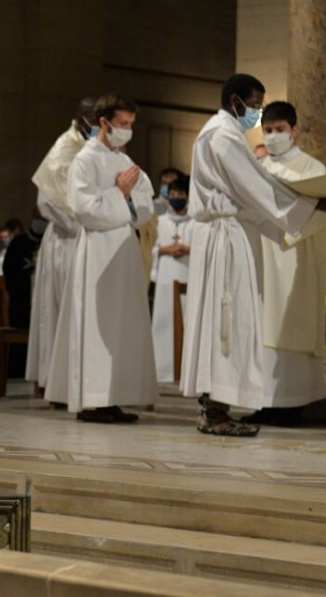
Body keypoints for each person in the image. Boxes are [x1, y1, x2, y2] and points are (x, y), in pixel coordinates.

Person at [180, 74, 326, 437]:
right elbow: (256, 187)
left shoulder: (222, 131)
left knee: (226, 320)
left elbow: (252, 194)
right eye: (254, 105)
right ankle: (214, 410)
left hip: (230, 230)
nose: (256, 114)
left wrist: (307, 209)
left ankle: (215, 408)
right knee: (227, 318)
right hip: (225, 237)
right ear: (235, 101)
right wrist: (316, 203)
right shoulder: (223, 135)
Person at [45, 94, 158, 422]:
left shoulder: (124, 160)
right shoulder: (85, 159)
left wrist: (127, 201)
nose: (128, 131)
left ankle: (114, 397)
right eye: (123, 124)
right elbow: (84, 209)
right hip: (97, 249)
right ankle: (93, 400)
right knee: (98, 322)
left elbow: (146, 204)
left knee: (122, 323)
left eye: (132, 125)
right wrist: (120, 194)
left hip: (123, 247)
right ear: (104, 123)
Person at [243, 102, 326, 426]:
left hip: (294, 260)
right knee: (261, 327)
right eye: (268, 130)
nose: (274, 136)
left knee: (290, 325)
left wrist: (286, 227)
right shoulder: (257, 168)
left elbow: (322, 215)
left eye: (280, 130)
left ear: (295, 131)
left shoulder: (312, 169)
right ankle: (263, 400)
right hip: (261, 256)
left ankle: (292, 403)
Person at [26, 98, 95, 390]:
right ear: (81, 117)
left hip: (85, 236)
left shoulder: (90, 148)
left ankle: (78, 377)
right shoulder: (65, 148)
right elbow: (46, 201)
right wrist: (78, 223)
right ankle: (55, 381)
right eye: (94, 116)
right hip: (66, 239)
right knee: (61, 308)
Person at [150, 175, 193, 383]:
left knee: (187, 322)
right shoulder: (160, 221)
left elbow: (203, 248)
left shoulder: (195, 222)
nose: (176, 198)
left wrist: (187, 248)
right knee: (163, 322)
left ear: (188, 196)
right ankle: (162, 371)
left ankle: (185, 371)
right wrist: (167, 249)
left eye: (180, 194)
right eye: (173, 194)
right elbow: (150, 249)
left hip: (187, 275)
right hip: (166, 278)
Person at [4, 209, 46, 330]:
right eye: (39, 218)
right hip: (21, 303)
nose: (42, 221)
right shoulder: (17, 243)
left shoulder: (52, 244)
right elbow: (9, 274)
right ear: (33, 216)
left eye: (45, 219)